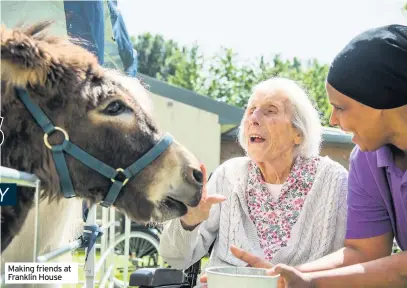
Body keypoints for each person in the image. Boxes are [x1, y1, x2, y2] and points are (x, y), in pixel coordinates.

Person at [221, 24, 407, 288]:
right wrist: (287, 276)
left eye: (340, 108)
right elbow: (364, 252)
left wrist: (312, 281)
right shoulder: (366, 160)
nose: (333, 119)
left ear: (382, 100)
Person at [158, 76, 349, 285]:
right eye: (251, 110)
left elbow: (356, 260)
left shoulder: (334, 183)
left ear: (298, 133)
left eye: (270, 111)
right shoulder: (228, 176)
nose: (253, 119)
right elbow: (175, 258)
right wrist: (188, 222)